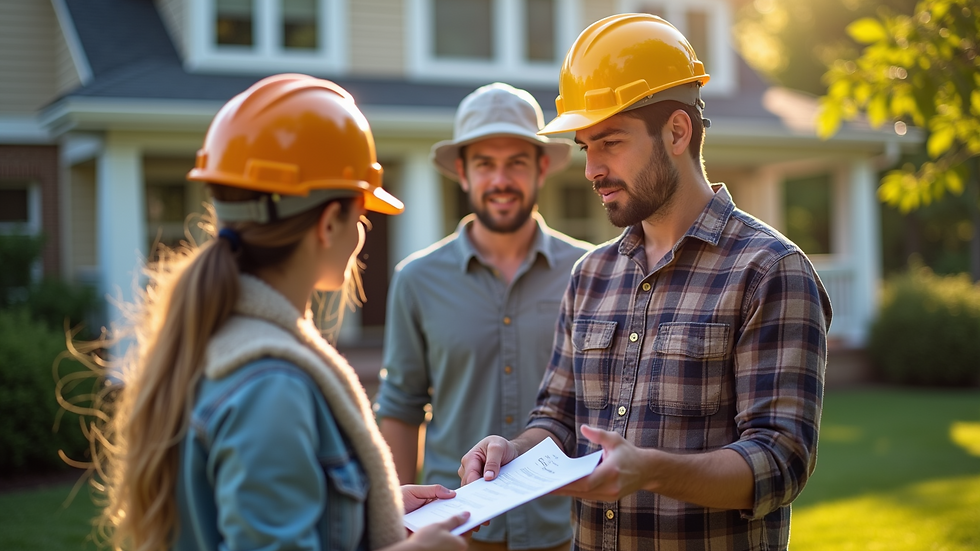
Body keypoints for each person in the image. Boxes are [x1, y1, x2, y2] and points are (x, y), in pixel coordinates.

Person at [460, 14, 833, 551]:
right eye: (586, 147)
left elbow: (780, 462)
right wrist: (515, 449)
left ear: (677, 132)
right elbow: (557, 418)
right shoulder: (591, 275)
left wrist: (651, 471)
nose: (592, 170)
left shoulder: (769, 270)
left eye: (609, 142)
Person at [81, 74, 469, 551]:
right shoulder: (271, 388)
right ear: (329, 223)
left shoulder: (213, 338)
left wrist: (373, 510)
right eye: (362, 215)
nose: (363, 232)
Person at [374, 82, 592, 551]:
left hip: (564, 530)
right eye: (485, 164)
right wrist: (392, 527)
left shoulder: (591, 272)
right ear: (462, 171)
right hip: (453, 531)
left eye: (516, 162)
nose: (501, 180)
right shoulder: (416, 279)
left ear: (540, 168)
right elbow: (401, 407)